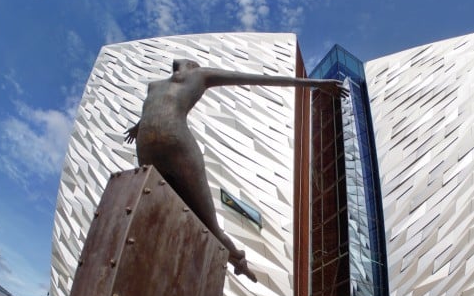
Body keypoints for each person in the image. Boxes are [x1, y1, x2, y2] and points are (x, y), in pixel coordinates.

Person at [125, 59, 347, 282]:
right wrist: (138, 125)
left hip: (170, 142)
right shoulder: (157, 85)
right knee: (156, 215)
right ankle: (162, 268)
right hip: (150, 145)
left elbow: (257, 79)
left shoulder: (198, 76)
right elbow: (153, 107)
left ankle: (237, 260)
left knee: (204, 221)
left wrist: (315, 83)